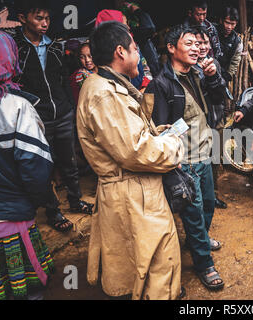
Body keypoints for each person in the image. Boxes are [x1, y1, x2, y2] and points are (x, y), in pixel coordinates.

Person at [76, 21, 184, 300]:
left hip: (130, 189)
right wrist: (173, 145)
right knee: (157, 263)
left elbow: (129, 138)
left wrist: (158, 134)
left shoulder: (107, 85)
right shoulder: (103, 94)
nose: (140, 55)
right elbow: (137, 152)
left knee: (138, 263)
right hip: (133, 191)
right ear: (121, 52)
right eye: (136, 49)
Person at [148, 24, 226, 291]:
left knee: (208, 206)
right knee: (193, 214)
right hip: (186, 159)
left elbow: (220, 100)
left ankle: (199, 240)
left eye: (198, 44)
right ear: (172, 48)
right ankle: (204, 264)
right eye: (189, 43)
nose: (197, 48)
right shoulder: (161, 84)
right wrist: (174, 163)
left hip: (205, 152)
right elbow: (160, 127)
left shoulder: (199, 74)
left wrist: (214, 77)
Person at [14, 0, 93, 232]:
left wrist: (68, 106)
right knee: (46, 166)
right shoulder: (16, 47)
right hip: (38, 118)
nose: (45, 23)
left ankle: (76, 200)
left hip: (63, 113)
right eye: (39, 18)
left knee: (69, 161)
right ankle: (53, 211)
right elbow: (16, 84)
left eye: (47, 19)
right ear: (22, 18)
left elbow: (63, 79)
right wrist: (32, 108)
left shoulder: (55, 46)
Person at [0, 30, 55, 300]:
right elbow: (35, 168)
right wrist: (40, 200)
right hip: (12, 218)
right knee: (26, 290)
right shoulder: (16, 108)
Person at [196, 27, 228, 210]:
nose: (202, 47)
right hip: (200, 123)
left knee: (215, 158)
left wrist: (214, 76)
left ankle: (213, 195)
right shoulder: (190, 66)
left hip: (216, 117)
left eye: (205, 43)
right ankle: (201, 197)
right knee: (202, 161)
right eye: (197, 43)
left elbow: (220, 91)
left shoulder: (214, 62)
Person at [95, 9, 152, 93]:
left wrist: (145, 87)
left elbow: (145, 70)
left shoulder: (133, 46)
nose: (129, 28)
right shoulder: (105, 86)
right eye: (125, 25)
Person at [215, 6, 242, 83]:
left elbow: (235, 60)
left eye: (233, 24)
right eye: (227, 23)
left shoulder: (237, 41)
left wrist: (228, 74)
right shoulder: (211, 33)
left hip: (222, 75)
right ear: (221, 20)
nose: (229, 27)